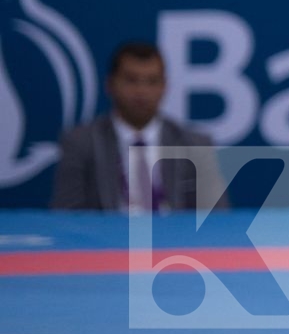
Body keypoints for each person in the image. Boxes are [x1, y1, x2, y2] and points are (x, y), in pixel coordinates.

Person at [50, 42, 223, 212]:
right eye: (131, 80)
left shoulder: (193, 143)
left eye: (152, 81)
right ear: (110, 84)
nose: (141, 91)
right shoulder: (81, 141)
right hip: (107, 238)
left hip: (176, 238)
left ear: (164, 87)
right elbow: (67, 215)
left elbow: (216, 216)